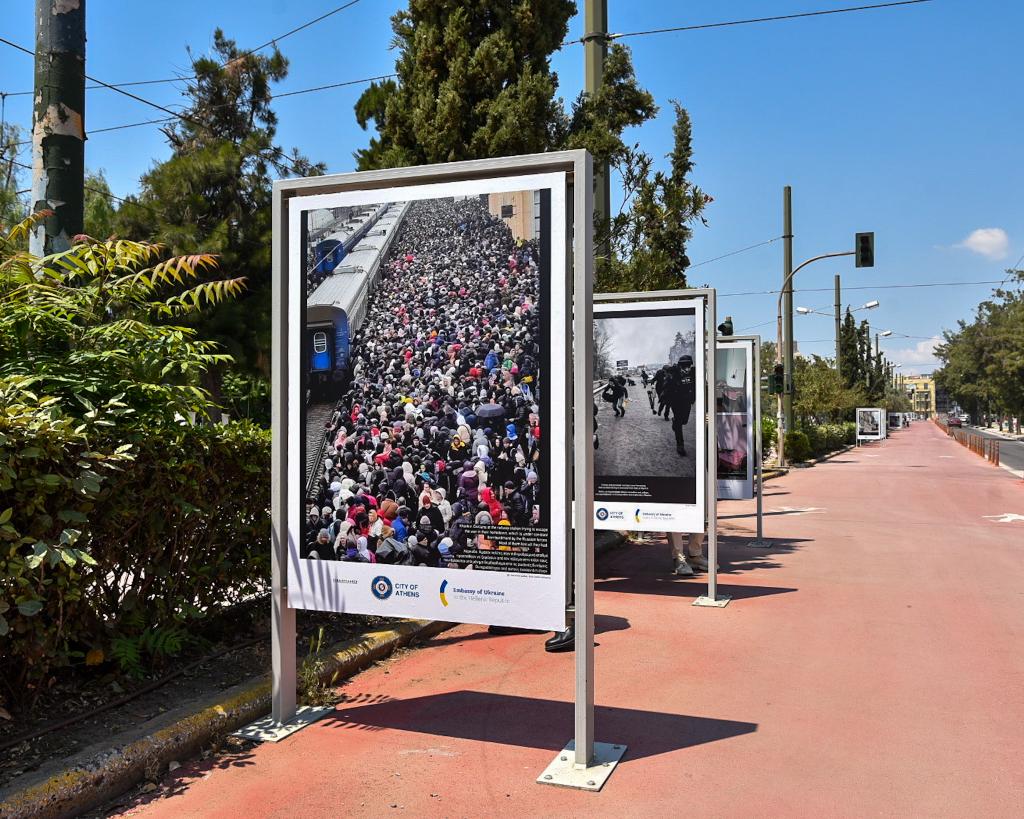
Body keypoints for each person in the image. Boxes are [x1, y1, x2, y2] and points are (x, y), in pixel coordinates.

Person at [663, 355, 697, 455]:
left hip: (687, 401)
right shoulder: (674, 373)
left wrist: (693, 398)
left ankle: (674, 421)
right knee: (679, 422)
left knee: (684, 421)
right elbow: (667, 383)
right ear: (680, 366)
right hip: (676, 401)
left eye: (688, 365)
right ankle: (680, 445)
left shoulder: (694, 372)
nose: (686, 368)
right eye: (684, 366)